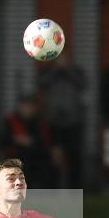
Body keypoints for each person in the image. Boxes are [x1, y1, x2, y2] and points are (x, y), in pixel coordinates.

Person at [37, 48, 88, 188]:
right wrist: (56, 70)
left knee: (74, 158)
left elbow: (83, 84)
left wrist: (68, 71)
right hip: (54, 122)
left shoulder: (76, 72)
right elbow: (41, 83)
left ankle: (75, 188)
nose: (62, 61)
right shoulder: (48, 72)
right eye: (59, 58)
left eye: (64, 58)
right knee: (53, 158)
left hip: (73, 123)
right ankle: (51, 187)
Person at [1, 93, 57, 188]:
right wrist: (16, 139)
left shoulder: (40, 123)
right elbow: (1, 141)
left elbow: (47, 142)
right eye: (26, 105)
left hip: (38, 162)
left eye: (31, 105)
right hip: (15, 161)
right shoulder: (10, 122)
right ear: (20, 106)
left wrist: (31, 141)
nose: (28, 108)